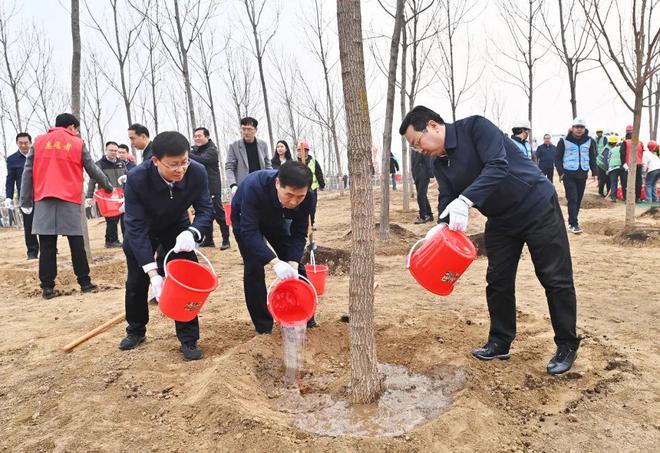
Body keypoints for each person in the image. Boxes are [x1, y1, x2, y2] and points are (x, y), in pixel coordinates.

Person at [399, 106, 580, 375]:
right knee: (498, 280)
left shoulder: (475, 128)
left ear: (434, 126)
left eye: (417, 143)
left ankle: (566, 344)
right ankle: (500, 341)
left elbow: (497, 165)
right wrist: (440, 228)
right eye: (414, 148)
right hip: (501, 219)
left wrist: (466, 200)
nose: (419, 150)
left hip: (536, 205)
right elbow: (447, 197)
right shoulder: (440, 163)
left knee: (554, 277)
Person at [119, 131, 213, 361]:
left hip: (177, 227)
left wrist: (192, 232)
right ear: (155, 161)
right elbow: (136, 227)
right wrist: (152, 272)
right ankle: (136, 330)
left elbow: (205, 209)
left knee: (186, 281)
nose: (180, 169)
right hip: (143, 229)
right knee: (136, 282)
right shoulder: (137, 179)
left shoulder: (197, 172)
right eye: (173, 165)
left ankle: (188, 340)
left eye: (184, 162)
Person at [19, 113, 113, 299]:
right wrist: (108, 187)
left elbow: (27, 172)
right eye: (76, 129)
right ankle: (85, 283)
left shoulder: (38, 142)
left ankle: (47, 287)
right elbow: (92, 169)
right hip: (69, 199)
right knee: (76, 243)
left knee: (46, 245)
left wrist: (25, 200)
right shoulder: (77, 143)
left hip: (44, 197)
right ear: (71, 127)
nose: (76, 133)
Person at [231, 161, 317, 334]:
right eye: (289, 195)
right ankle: (263, 328)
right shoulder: (254, 186)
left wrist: (291, 262)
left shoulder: (308, 196)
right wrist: (275, 263)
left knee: (295, 264)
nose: (294, 202)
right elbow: (249, 231)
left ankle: (306, 317)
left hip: (277, 218)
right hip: (246, 219)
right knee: (254, 266)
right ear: (278, 183)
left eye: (299, 197)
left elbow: (299, 233)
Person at [190, 127, 231, 250]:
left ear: (207, 137)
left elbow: (202, 161)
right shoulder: (196, 150)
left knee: (218, 212)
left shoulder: (212, 150)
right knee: (203, 212)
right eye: (195, 136)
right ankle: (208, 240)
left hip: (212, 186)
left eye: (199, 136)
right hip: (199, 186)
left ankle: (226, 240)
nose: (197, 138)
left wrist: (188, 154)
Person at [555, 117, 597, 234]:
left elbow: (592, 157)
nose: (579, 129)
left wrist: (595, 172)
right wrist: (561, 173)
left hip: (582, 174)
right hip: (568, 174)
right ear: (572, 128)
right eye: (577, 127)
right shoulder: (563, 141)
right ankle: (573, 223)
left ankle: (573, 220)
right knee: (572, 198)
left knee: (578, 199)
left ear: (584, 129)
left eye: (581, 127)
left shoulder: (589, 141)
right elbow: (557, 159)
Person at [86, 141, 128, 248]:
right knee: (111, 218)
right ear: (106, 150)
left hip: (121, 195)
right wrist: (89, 196)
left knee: (121, 218)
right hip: (107, 196)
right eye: (111, 150)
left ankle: (115, 239)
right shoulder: (99, 164)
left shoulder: (121, 163)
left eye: (115, 151)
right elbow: (92, 180)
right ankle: (111, 241)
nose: (113, 152)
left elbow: (128, 176)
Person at [5, 132, 39, 259]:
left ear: (30, 143)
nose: (24, 145)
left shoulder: (38, 155)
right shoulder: (12, 159)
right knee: (29, 225)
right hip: (25, 198)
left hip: (42, 195)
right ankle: (32, 251)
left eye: (26, 143)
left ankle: (50, 248)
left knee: (44, 223)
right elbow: (10, 179)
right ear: (17, 143)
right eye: (21, 143)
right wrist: (8, 196)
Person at [225, 117, 271, 196]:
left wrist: (270, 180)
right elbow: (229, 168)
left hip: (261, 185)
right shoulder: (234, 146)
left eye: (249, 129)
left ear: (255, 130)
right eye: (243, 129)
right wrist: (233, 185)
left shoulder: (263, 145)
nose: (246, 132)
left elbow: (268, 166)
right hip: (243, 187)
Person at [296, 141, 325, 230]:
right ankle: (302, 224)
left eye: (303, 151)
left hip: (312, 188)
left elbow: (318, 173)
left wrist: (321, 184)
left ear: (307, 151)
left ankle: (312, 223)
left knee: (312, 206)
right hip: (300, 188)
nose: (301, 153)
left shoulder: (313, 161)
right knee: (301, 207)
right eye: (299, 151)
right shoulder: (295, 163)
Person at [621, 125, 645, 202]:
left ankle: (627, 198)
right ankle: (637, 198)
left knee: (626, 182)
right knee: (638, 181)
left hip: (629, 164)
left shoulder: (625, 142)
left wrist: (623, 163)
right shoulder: (640, 142)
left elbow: (622, 153)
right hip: (639, 164)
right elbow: (641, 153)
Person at [411, 150, 434, 224]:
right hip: (416, 175)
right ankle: (429, 215)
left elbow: (428, 160)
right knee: (423, 196)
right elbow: (413, 164)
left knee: (420, 196)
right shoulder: (413, 150)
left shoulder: (422, 148)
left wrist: (430, 174)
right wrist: (413, 176)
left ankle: (423, 216)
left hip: (424, 175)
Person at [603, 135, 627, 202]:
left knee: (613, 183)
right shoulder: (623, 149)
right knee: (624, 183)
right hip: (622, 167)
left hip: (612, 168)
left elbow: (608, 160)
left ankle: (613, 198)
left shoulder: (611, 150)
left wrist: (607, 169)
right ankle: (625, 198)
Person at [593, 128, 610, 197]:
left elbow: (605, 147)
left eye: (600, 132)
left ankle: (606, 192)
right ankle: (601, 192)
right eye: (598, 132)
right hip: (599, 160)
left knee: (605, 178)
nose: (599, 133)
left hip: (602, 159)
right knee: (602, 177)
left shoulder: (604, 138)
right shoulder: (595, 139)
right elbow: (594, 148)